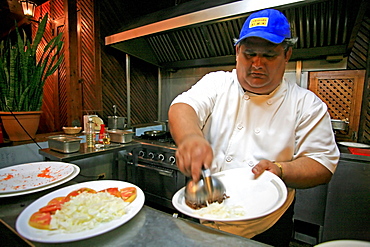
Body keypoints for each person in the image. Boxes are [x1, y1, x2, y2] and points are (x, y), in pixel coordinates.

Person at [168, 8, 340, 247]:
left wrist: (280, 170)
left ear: (287, 54)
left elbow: (322, 164)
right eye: (249, 54)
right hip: (203, 214)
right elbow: (183, 106)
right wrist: (189, 139)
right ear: (237, 51)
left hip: (267, 226)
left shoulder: (307, 104)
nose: (257, 64)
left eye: (269, 55)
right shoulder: (217, 83)